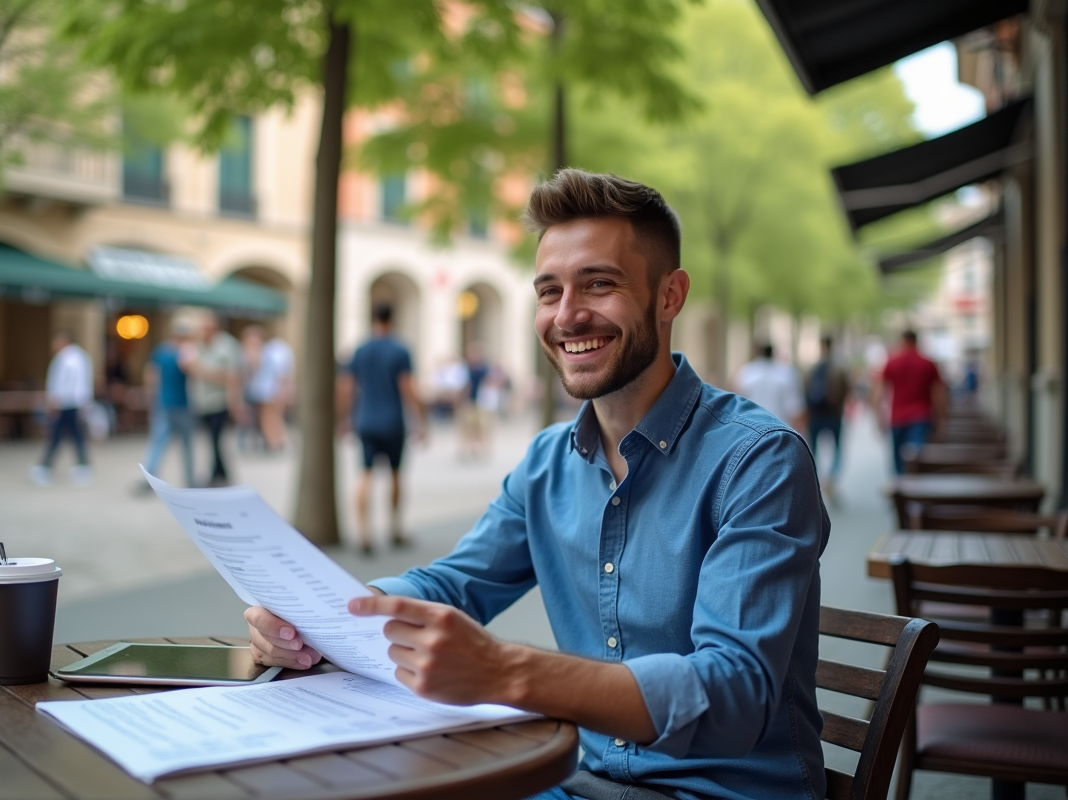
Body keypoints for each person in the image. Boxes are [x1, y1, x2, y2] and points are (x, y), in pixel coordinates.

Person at [248, 170, 829, 800]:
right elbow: (451, 586)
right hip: (581, 781)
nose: (568, 315)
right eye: (548, 292)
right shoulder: (548, 461)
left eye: (599, 284)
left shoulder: (758, 461)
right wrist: (320, 619)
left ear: (670, 296)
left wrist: (505, 670)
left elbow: (734, 693)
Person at [338, 304, 427, 555]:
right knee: (396, 475)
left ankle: (363, 534)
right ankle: (394, 529)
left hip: (365, 420)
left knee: (365, 474)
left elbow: (346, 387)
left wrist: (344, 418)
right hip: (393, 422)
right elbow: (408, 387)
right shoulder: (400, 350)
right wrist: (421, 421)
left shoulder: (360, 350)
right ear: (392, 320)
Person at [872, 329, 947, 474]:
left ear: (903, 341)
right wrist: (943, 419)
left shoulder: (892, 362)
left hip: (897, 418)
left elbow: (878, 393)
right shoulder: (927, 363)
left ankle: (902, 490)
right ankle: (916, 489)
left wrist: (878, 418)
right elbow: (940, 394)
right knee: (916, 459)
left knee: (898, 462)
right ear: (916, 341)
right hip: (921, 417)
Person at [181, 311, 241, 487]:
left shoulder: (228, 346)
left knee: (215, 438)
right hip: (201, 401)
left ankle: (216, 475)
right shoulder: (196, 346)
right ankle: (222, 473)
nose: (203, 332)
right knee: (210, 440)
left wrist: (201, 370)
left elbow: (231, 377)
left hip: (219, 401)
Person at [136, 319, 195, 491]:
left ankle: (150, 478)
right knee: (186, 444)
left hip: (162, 402)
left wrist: (151, 397)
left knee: (158, 441)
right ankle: (190, 479)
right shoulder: (186, 353)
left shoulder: (161, 351)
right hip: (183, 404)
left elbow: (150, 376)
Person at [31, 331, 93, 486]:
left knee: (58, 434)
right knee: (72, 435)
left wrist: (55, 401)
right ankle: (81, 466)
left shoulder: (66, 358)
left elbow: (66, 382)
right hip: (74, 402)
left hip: (66, 403)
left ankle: (46, 467)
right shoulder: (80, 356)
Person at [804, 336, 850, 496]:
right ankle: (831, 480)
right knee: (836, 450)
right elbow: (846, 391)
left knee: (813, 451)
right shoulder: (838, 368)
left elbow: (804, 390)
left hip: (815, 415)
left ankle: (815, 481)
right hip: (833, 415)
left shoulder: (811, 369)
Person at [731, 343, 807, 434]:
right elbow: (795, 407)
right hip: (781, 428)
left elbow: (737, 401)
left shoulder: (745, 372)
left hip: (752, 428)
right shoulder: (786, 373)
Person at [256, 330, 294, 452]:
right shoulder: (280, 349)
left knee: (271, 416)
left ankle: (276, 441)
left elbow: (282, 373)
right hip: (271, 389)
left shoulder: (274, 350)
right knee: (272, 416)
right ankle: (275, 440)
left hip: (271, 390)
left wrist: (283, 390)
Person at [457, 341, 491, 460]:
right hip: (468, 401)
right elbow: (460, 384)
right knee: (467, 426)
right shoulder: (465, 368)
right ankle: (466, 449)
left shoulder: (484, 368)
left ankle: (481, 449)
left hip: (482, 402)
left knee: (482, 426)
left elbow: (490, 382)